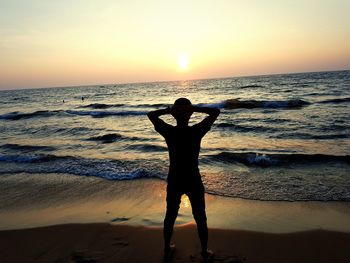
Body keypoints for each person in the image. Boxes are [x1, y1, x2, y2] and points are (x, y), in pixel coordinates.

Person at [147, 98, 220, 261]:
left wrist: (168, 111)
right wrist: (195, 109)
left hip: (175, 178)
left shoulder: (169, 132)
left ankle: (167, 249)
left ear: (174, 114)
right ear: (189, 113)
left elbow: (151, 115)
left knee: (170, 214)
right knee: (200, 215)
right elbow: (215, 112)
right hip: (193, 178)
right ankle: (204, 251)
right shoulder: (197, 131)